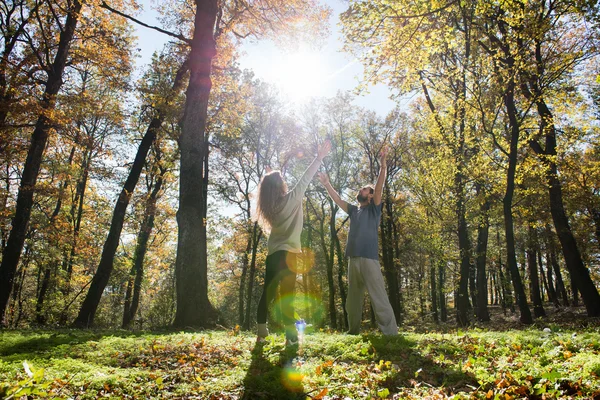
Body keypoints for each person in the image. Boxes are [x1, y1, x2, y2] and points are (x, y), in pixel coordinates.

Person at [255, 140, 331, 345]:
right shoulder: (293, 198)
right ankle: (290, 338)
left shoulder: (269, 207)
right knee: (287, 294)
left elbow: (271, 189)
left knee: (268, 293)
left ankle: (261, 332)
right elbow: (305, 178)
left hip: (273, 254)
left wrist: (271, 177)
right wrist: (319, 157)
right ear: (280, 186)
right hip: (290, 255)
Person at [317, 147, 398, 335]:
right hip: (353, 259)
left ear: (370, 196)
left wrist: (383, 167)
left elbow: (379, 189)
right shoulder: (354, 210)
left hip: (369, 259)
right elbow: (337, 200)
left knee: (379, 297)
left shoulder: (373, 209)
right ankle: (352, 331)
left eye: (365, 189)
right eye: (363, 188)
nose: (361, 189)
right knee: (352, 301)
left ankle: (391, 333)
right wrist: (327, 184)